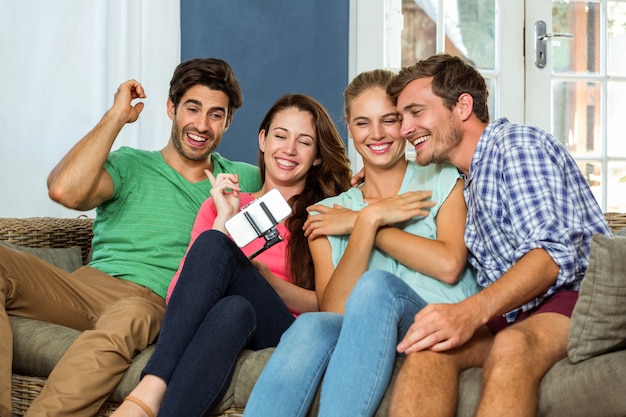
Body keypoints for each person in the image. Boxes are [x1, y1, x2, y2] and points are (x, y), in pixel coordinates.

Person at [0, 58, 262, 417]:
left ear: (228, 122)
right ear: (171, 108)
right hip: (85, 287)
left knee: (132, 314)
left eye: (216, 114)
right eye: (192, 108)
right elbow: (64, 190)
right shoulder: (129, 163)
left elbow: (307, 187)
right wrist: (116, 117)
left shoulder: (242, 179)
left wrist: (361, 187)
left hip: (154, 301)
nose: (201, 125)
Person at [243, 69, 480, 417]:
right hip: (370, 334)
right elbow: (335, 309)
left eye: (390, 120)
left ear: (405, 123)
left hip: (438, 319)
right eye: (364, 123)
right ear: (349, 128)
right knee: (311, 324)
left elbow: (449, 265)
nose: (378, 134)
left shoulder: (442, 178)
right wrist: (367, 222)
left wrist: (363, 221)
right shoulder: (326, 213)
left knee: (375, 285)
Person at [386, 54, 612, 417]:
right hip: (514, 311)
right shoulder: (464, 177)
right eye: (401, 118)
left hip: (571, 297)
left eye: (416, 112)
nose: (403, 129)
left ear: (462, 106)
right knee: (430, 348)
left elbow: (550, 256)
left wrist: (468, 312)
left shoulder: (514, 146)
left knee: (513, 346)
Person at [110, 93, 352, 417]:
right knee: (233, 303)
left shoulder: (323, 214)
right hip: (230, 317)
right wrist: (224, 218)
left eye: (304, 142)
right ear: (263, 140)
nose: (289, 149)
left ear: (318, 157)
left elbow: (333, 303)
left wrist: (269, 284)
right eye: (280, 136)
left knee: (220, 257)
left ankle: (151, 386)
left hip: (283, 328)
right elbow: (178, 292)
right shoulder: (223, 203)